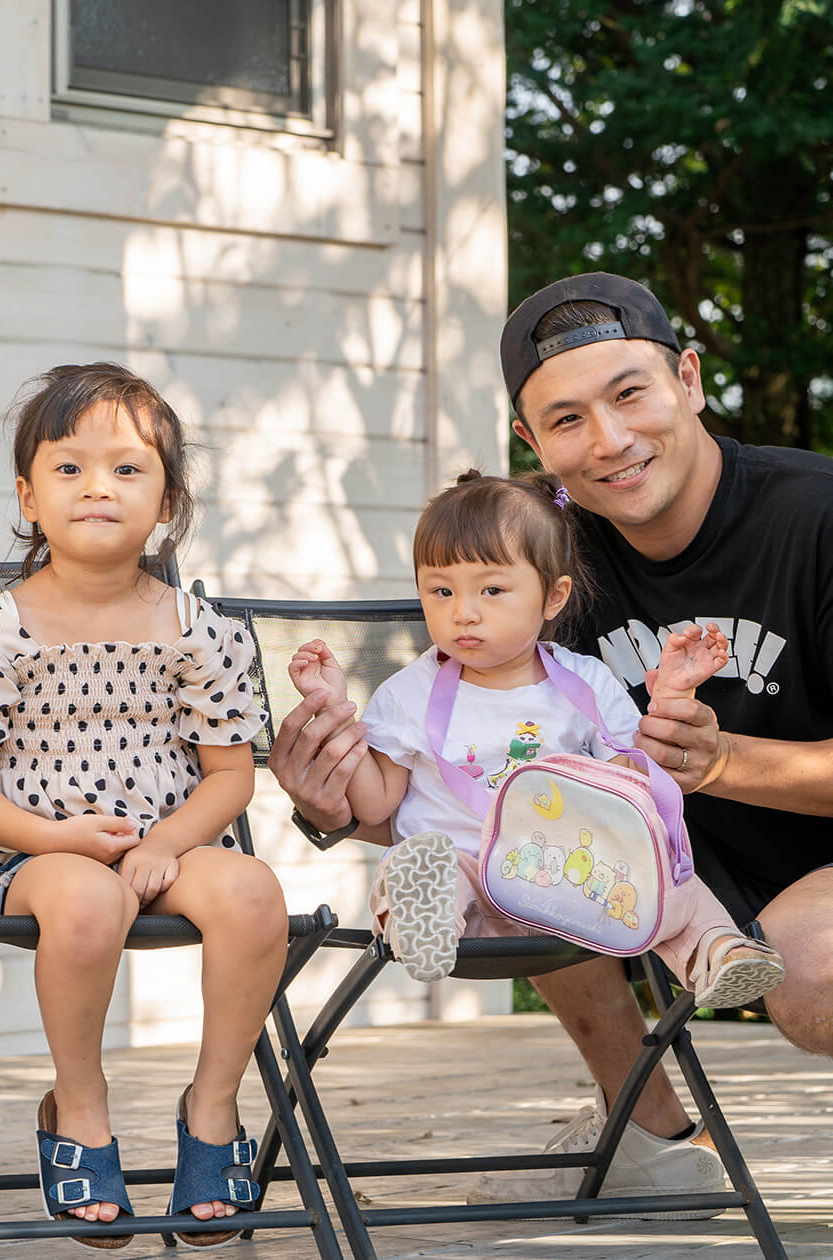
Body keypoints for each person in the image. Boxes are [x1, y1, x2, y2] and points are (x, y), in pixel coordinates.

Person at [270, 270, 833, 1212]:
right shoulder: (529, 557)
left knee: (813, 980)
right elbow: (462, 783)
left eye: (630, 395)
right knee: (532, 839)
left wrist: (726, 760)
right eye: (567, 420)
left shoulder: (813, 514)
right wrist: (332, 802)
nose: (609, 442)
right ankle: (646, 1132)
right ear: (532, 442)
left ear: (688, 380)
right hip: (643, 855)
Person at [0, 363, 288, 1250]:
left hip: (165, 844)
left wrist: (166, 843)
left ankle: (212, 1106)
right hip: (36, 856)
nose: (98, 486)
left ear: (167, 502)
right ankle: (80, 1108)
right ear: (28, 494)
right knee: (88, 899)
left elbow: (230, 777)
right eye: (69, 467)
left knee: (252, 893)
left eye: (128, 469)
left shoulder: (202, 630)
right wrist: (56, 839)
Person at [287, 469, 784, 1015]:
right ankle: (421, 921)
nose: (463, 611)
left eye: (492, 590)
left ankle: (717, 952)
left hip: (573, 877)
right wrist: (336, 714)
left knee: (668, 877)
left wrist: (666, 702)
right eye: (441, 590)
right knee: (419, 861)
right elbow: (378, 802)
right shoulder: (410, 692)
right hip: (471, 883)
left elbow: (633, 783)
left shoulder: (586, 685)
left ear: (553, 596)